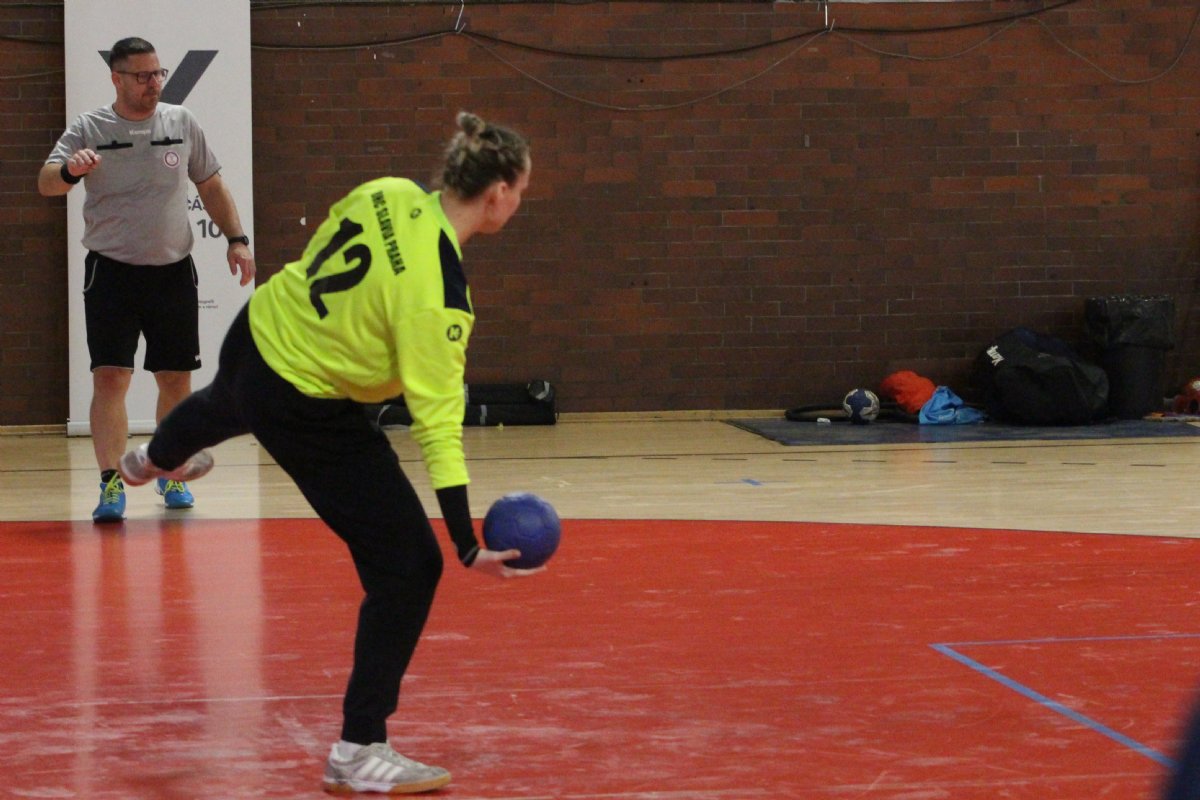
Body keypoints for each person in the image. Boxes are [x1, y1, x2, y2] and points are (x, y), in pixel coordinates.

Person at [116, 111, 539, 795]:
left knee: (227, 401)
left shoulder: (389, 191)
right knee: (409, 568)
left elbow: (324, 246)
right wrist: (465, 543)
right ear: (498, 194)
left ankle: (150, 461)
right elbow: (437, 424)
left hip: (259, 329)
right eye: (521, 191)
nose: (519, 202)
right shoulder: (441, 295)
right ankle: (359, 750)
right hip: (304, 404)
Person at [38, 36, 255, 523]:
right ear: (116, 78)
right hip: (111, 273)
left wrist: (237, 239)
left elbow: (211, 184)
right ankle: (111, 482)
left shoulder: (181, 122)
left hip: (172, 272)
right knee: (111, 377)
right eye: (142, 76)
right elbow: (46, 181)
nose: (153, 83)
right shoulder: (90, 126)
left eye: (158, 73)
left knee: (175, 378)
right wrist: (70, 171)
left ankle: (170, 469)